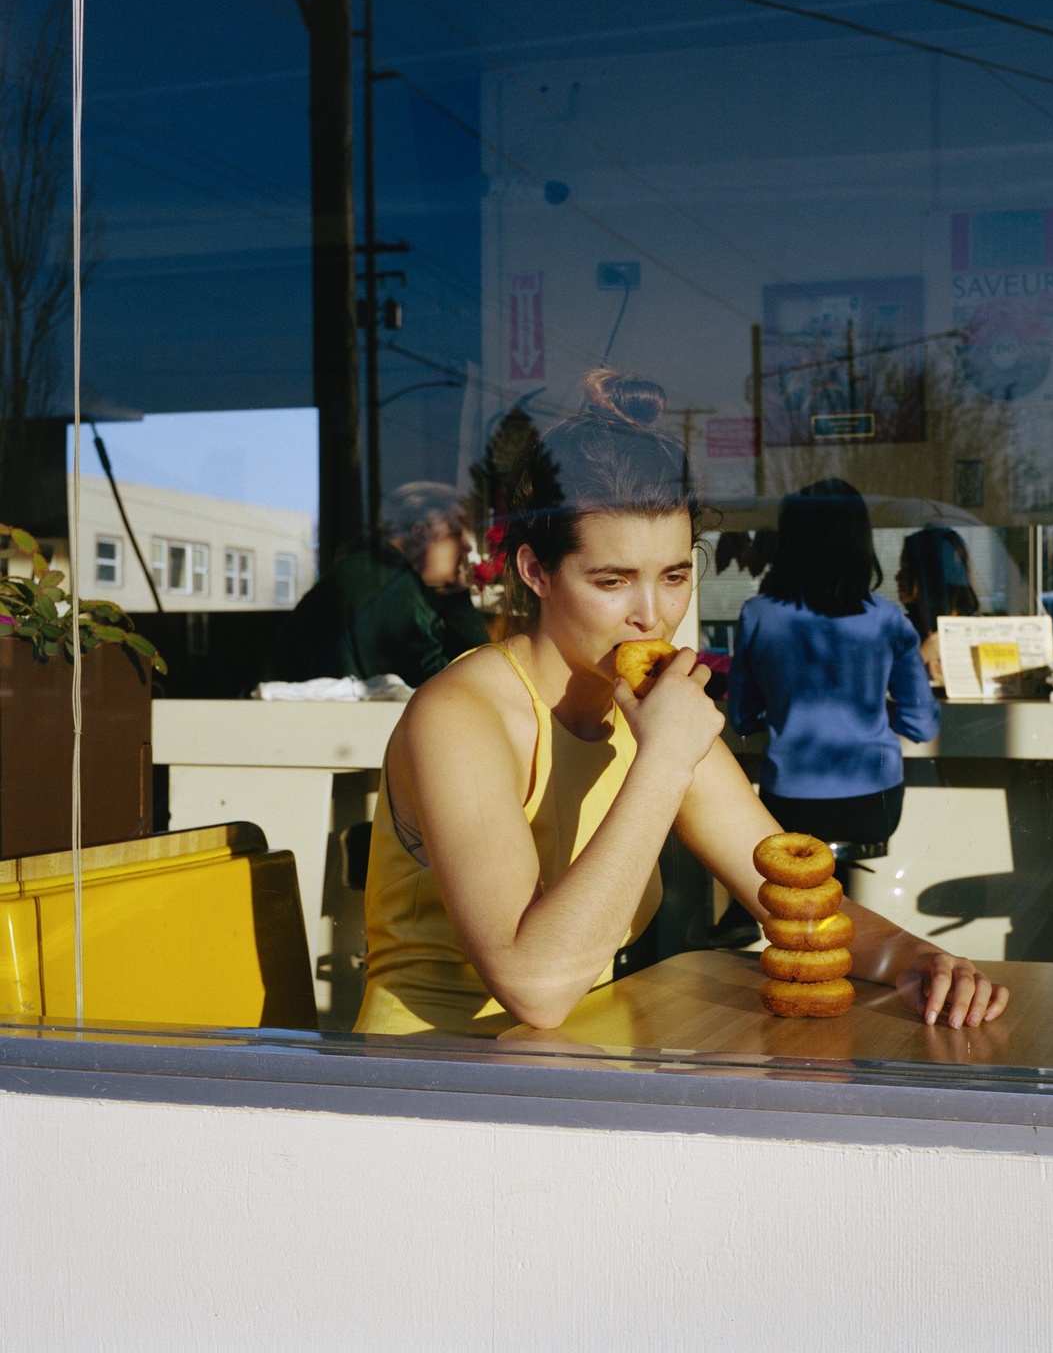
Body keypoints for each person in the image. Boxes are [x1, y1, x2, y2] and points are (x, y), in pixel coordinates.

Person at [354, 373, 1006, 1036]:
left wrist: (920, 959)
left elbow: (789, 898)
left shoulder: (645, 708)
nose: (651, 616)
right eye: (611, 581)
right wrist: (663, 759)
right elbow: (536, 987)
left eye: (673, 577)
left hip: (576, 1060)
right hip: (428, 1080)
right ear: (535, 572)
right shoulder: (461, 716)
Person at [727, 479, 941, 862]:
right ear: (861, 541)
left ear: (788, 542)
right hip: (874, 806)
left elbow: (742, 717)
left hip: (790, 804)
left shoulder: (756, 614)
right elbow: (922, 723)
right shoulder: (889, 619)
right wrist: (873, 712)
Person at [262, 482, 486, 690]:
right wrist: (460, 602)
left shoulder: (378, 574)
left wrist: (455, 594)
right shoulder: (388, 590)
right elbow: (457, 688)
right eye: (457, 532)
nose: (467, 545)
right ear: (420, 534)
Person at [895, 525, 980, 683]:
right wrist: (922, 656)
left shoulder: (979, 631)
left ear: (930, 574)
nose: (897, 577)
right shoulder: (901, 630)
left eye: (906, 569)